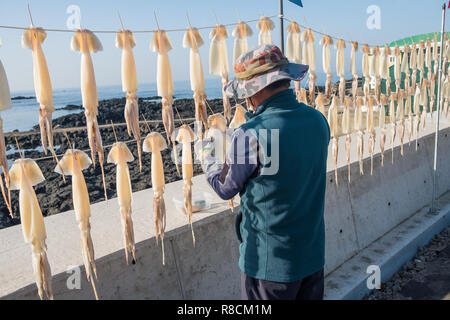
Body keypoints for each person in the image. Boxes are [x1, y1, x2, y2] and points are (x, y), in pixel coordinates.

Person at [195, 44, 330, 300]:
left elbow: (225, 187)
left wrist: (206, 154)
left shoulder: (251, 133)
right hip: (312, 257)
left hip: (270, 267)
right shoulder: (318, 120)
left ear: (253, 91)